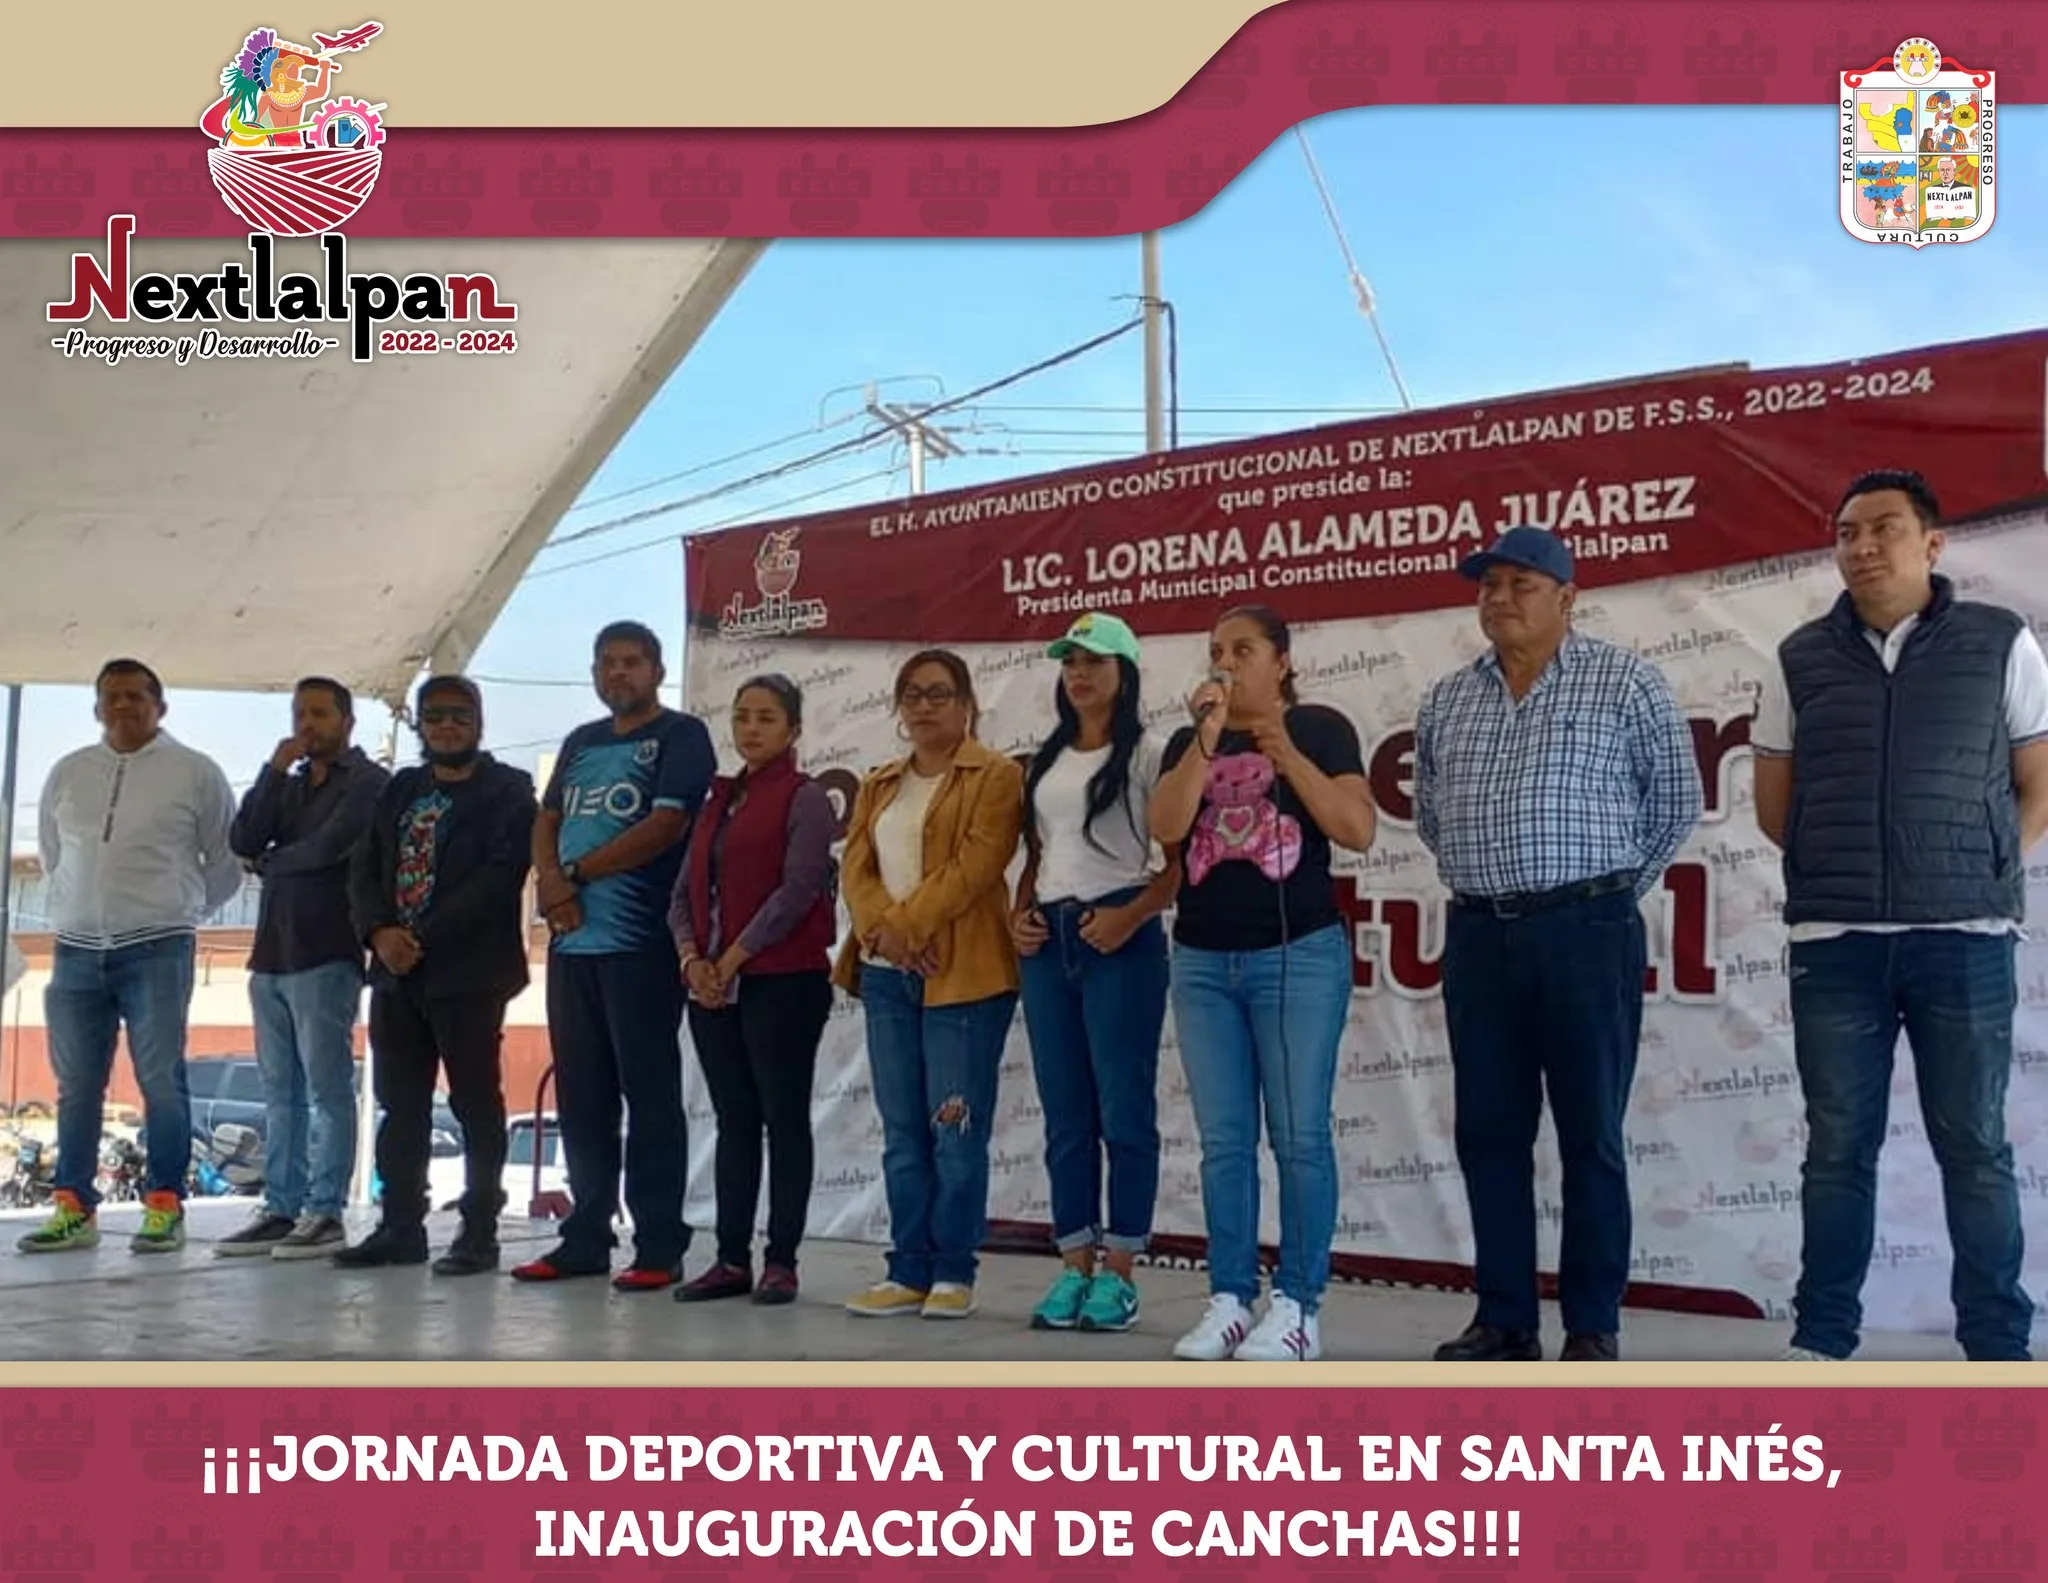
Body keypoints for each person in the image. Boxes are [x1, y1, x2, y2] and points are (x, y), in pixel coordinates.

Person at [1751, 470, 2048, 1363]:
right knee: (1837, 1149)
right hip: (1836, 945)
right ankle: (1823, 1338)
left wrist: (1993, 866)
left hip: (1964, 937)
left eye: (1882, 528)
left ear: (1933, 542)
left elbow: (2038, 781)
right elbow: (1776, 808)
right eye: (1846, 532)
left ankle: (1998, 1345)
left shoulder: (2002, 641)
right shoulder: (1799, 657)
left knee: (1977, 1148)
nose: (1861, 546)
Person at [1413, 527, 1702, 1364]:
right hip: (1477, 933)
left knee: (1590, 1136)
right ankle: (1504, 1318)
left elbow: (1673, 804)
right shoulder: (1445, 699)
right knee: (1489, 1132)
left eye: (1520, 583)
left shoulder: (1626, 681)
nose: (1498, 598)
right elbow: (1433, 815)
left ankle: (1590, 1323)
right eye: (1489, 584)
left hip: (1587, 931)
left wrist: (1602, 895)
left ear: (1568, 599)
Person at [1149, 606, 1377, 1362]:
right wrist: (1208, 740)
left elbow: (1356, 828)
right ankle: (1229, 1297)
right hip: (1204, 961)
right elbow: (1167, 827)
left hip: (1297, 956)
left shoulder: (1319, 727)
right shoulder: (1191, 740)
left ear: (1280, 660)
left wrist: (1285, 750)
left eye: (1243, 650)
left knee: (1299, 1134)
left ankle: (1300, 1303)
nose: (1226, 663)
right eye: (1215, 650)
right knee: (1224, 1142)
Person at [17, 660, 241, 1256]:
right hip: (76, 952)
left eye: (136, 696)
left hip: (159, 947)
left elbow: (224, 864)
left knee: (160, 1082)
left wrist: (178, 911)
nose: (123, 705)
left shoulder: (196, 773)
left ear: (159, 706)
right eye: (111, 696)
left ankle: (164, 1206)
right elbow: (52, 854)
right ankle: (72, 1208)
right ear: (96, 708)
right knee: (76, 1086)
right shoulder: (69, 773)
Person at [520, 622, 715, 1291]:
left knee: (650, 1096)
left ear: (657, 670)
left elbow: (665, 825)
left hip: (642, 945)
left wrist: (572, 873)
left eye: (632, 663)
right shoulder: (581, 741)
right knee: (583, 1098)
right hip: (573, 946)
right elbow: (545, 819)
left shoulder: (681, 736)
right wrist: (551, 882)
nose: (618, 674)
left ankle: (659, 1243)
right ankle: (584, 1236)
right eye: (607, 663)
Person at [836, 650, 1024, 1320]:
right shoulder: (879, 781)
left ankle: (953, 1269)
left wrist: (908, 926)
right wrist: (883, 931)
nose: (923, 706)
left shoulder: (996, 775)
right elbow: (855, 867)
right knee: (902, 1132)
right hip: (887, 978)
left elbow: (978, 864)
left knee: (955, 1129)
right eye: (911, 694)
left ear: (967, 702)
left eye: (939, 694)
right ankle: (906, 1268)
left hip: (964, 977)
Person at [1010, 613, 1177, 1334]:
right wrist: (1019, 914)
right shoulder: (1043, 759)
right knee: (1065, 1111)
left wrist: (1130, 916)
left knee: (1124, 1109)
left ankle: (1122, 1269)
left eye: (1095, 661)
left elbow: (1178, 868)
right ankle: (1074, 1260)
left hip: (1118, 935)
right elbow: (1037, 853)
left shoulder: (1149, 751)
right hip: (1051, 939)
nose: (1079, 673)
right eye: (1070, 662)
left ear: (1126, 672)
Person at [341, 676, 536, 1275]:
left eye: (460, 715)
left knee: (477, 1104)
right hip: (396, 975)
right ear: (419, 725)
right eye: (435, 716)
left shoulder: (509, 790)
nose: (447, 726)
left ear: (479, 722)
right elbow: (365, 866)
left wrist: (417, 937)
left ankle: (479, 1233)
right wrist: (379, 933)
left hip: (470, 973)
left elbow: (501, 876)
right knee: (402, 1107)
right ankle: (401, 1227)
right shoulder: (401, 788)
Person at [668, 675, 838, 1306]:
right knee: (734, 1121)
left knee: (783, 1120)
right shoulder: (716, 800)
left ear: (793, 729)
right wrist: (692, 961)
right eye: (742, 717)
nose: (751, 729)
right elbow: (682, 894)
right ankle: (730, 1258)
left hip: (781, 982)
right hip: (712, 985)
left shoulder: (804, 797)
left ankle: (782, 1260)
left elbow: (796, 892)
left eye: (767, 718)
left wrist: (732, 958)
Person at [217, 677, 389, 1261]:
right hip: (270, 955)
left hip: (327, 950)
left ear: (347, 720)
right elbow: (240, 836)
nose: (307, 724)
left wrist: (265, 862)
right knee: (278, 1090)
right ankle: (281, 1206)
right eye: (299, 714)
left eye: (319, 713)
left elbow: (332, 845)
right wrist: (271, 770)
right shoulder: (288, 785)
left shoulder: (368, 782)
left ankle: (325, 1210)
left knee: (327, 1087)